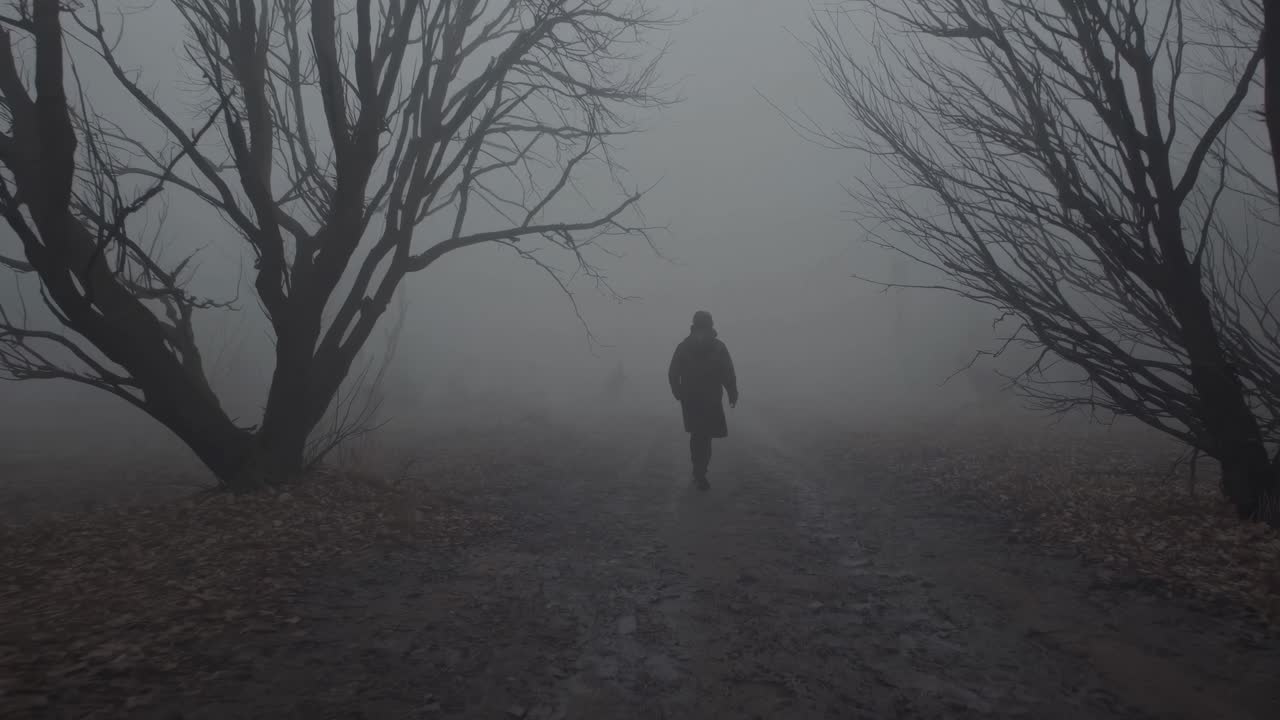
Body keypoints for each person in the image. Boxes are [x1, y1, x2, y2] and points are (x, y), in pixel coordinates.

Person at [668, 310, 738, 490]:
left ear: (694, 324)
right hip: (711, 398)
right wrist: (732, 392)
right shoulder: (718, 347)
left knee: (697, 435)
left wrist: (678, 393)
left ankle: (697, 470)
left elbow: (673, 372)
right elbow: (727, 372)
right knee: (705, 436)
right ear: (710, 325)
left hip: (690, 399)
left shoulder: (683, 346)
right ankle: (701, 471)